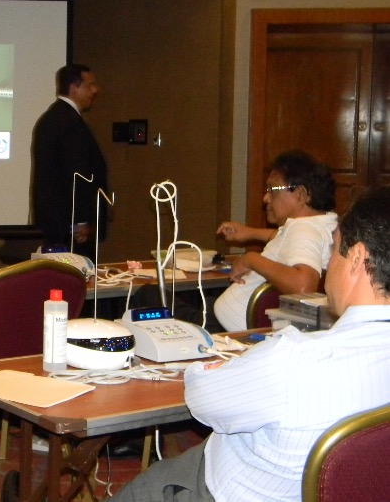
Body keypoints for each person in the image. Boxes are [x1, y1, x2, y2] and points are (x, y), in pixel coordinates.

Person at [113, 185, 390, 502]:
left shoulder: (295, 359)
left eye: (334, 247)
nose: (328, 263)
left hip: (218, 489)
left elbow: (203, 400)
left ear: (356, 258)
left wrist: (212, 370)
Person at [213, 149, 337, 331]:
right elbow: (289, 242)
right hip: (239, 329)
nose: (266, 198)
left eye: (273, 189)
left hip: (234, 335)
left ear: (300, 194)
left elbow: (303, 286)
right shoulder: (326, 224)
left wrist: (251, 259)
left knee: (170, 304)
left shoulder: (303, 229)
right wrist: (251, 233)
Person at [31, 63, 109, 260]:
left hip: (59, 222)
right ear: (74, 87)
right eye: (90, 85)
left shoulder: (55, 117)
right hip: (70, 226)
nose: (96, 90)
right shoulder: (68, 122)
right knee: (76, 273)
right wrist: (80, 221)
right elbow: (78, 173)